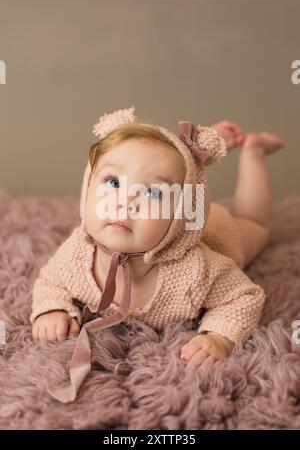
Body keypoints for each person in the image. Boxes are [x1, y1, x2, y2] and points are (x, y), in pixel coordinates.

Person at [30, 106, 284, 403]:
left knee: (256, 223)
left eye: (153, 193)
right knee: (177, 167)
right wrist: (52, 309)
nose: (125, 202)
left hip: (219, 230)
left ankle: (253, 153)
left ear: (179, 213)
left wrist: (219, 337)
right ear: (88, 187)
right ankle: (183, 163)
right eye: (113, 182)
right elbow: (51, 281)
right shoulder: (78, 252)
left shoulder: (196, 269)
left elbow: (244, 297)